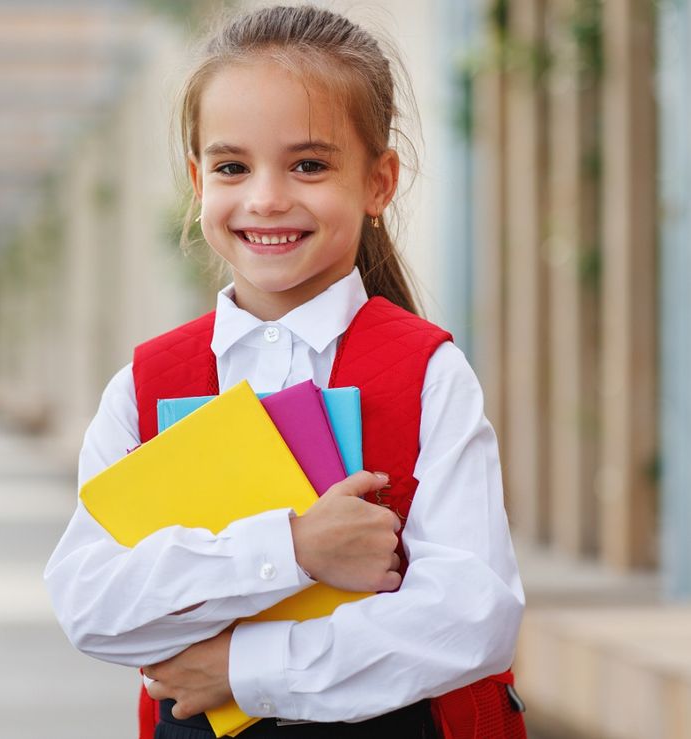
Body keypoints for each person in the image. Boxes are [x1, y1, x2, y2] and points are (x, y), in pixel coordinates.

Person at [44, 5, 526, 738]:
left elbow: (470, 616)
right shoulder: (145, 386)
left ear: (378, 181)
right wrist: (292, 549)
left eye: (309, 164)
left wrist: (244, 669)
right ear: (197, 179)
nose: (267, 197)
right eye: (232, 166)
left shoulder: (428, 373)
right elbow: (92, 604)